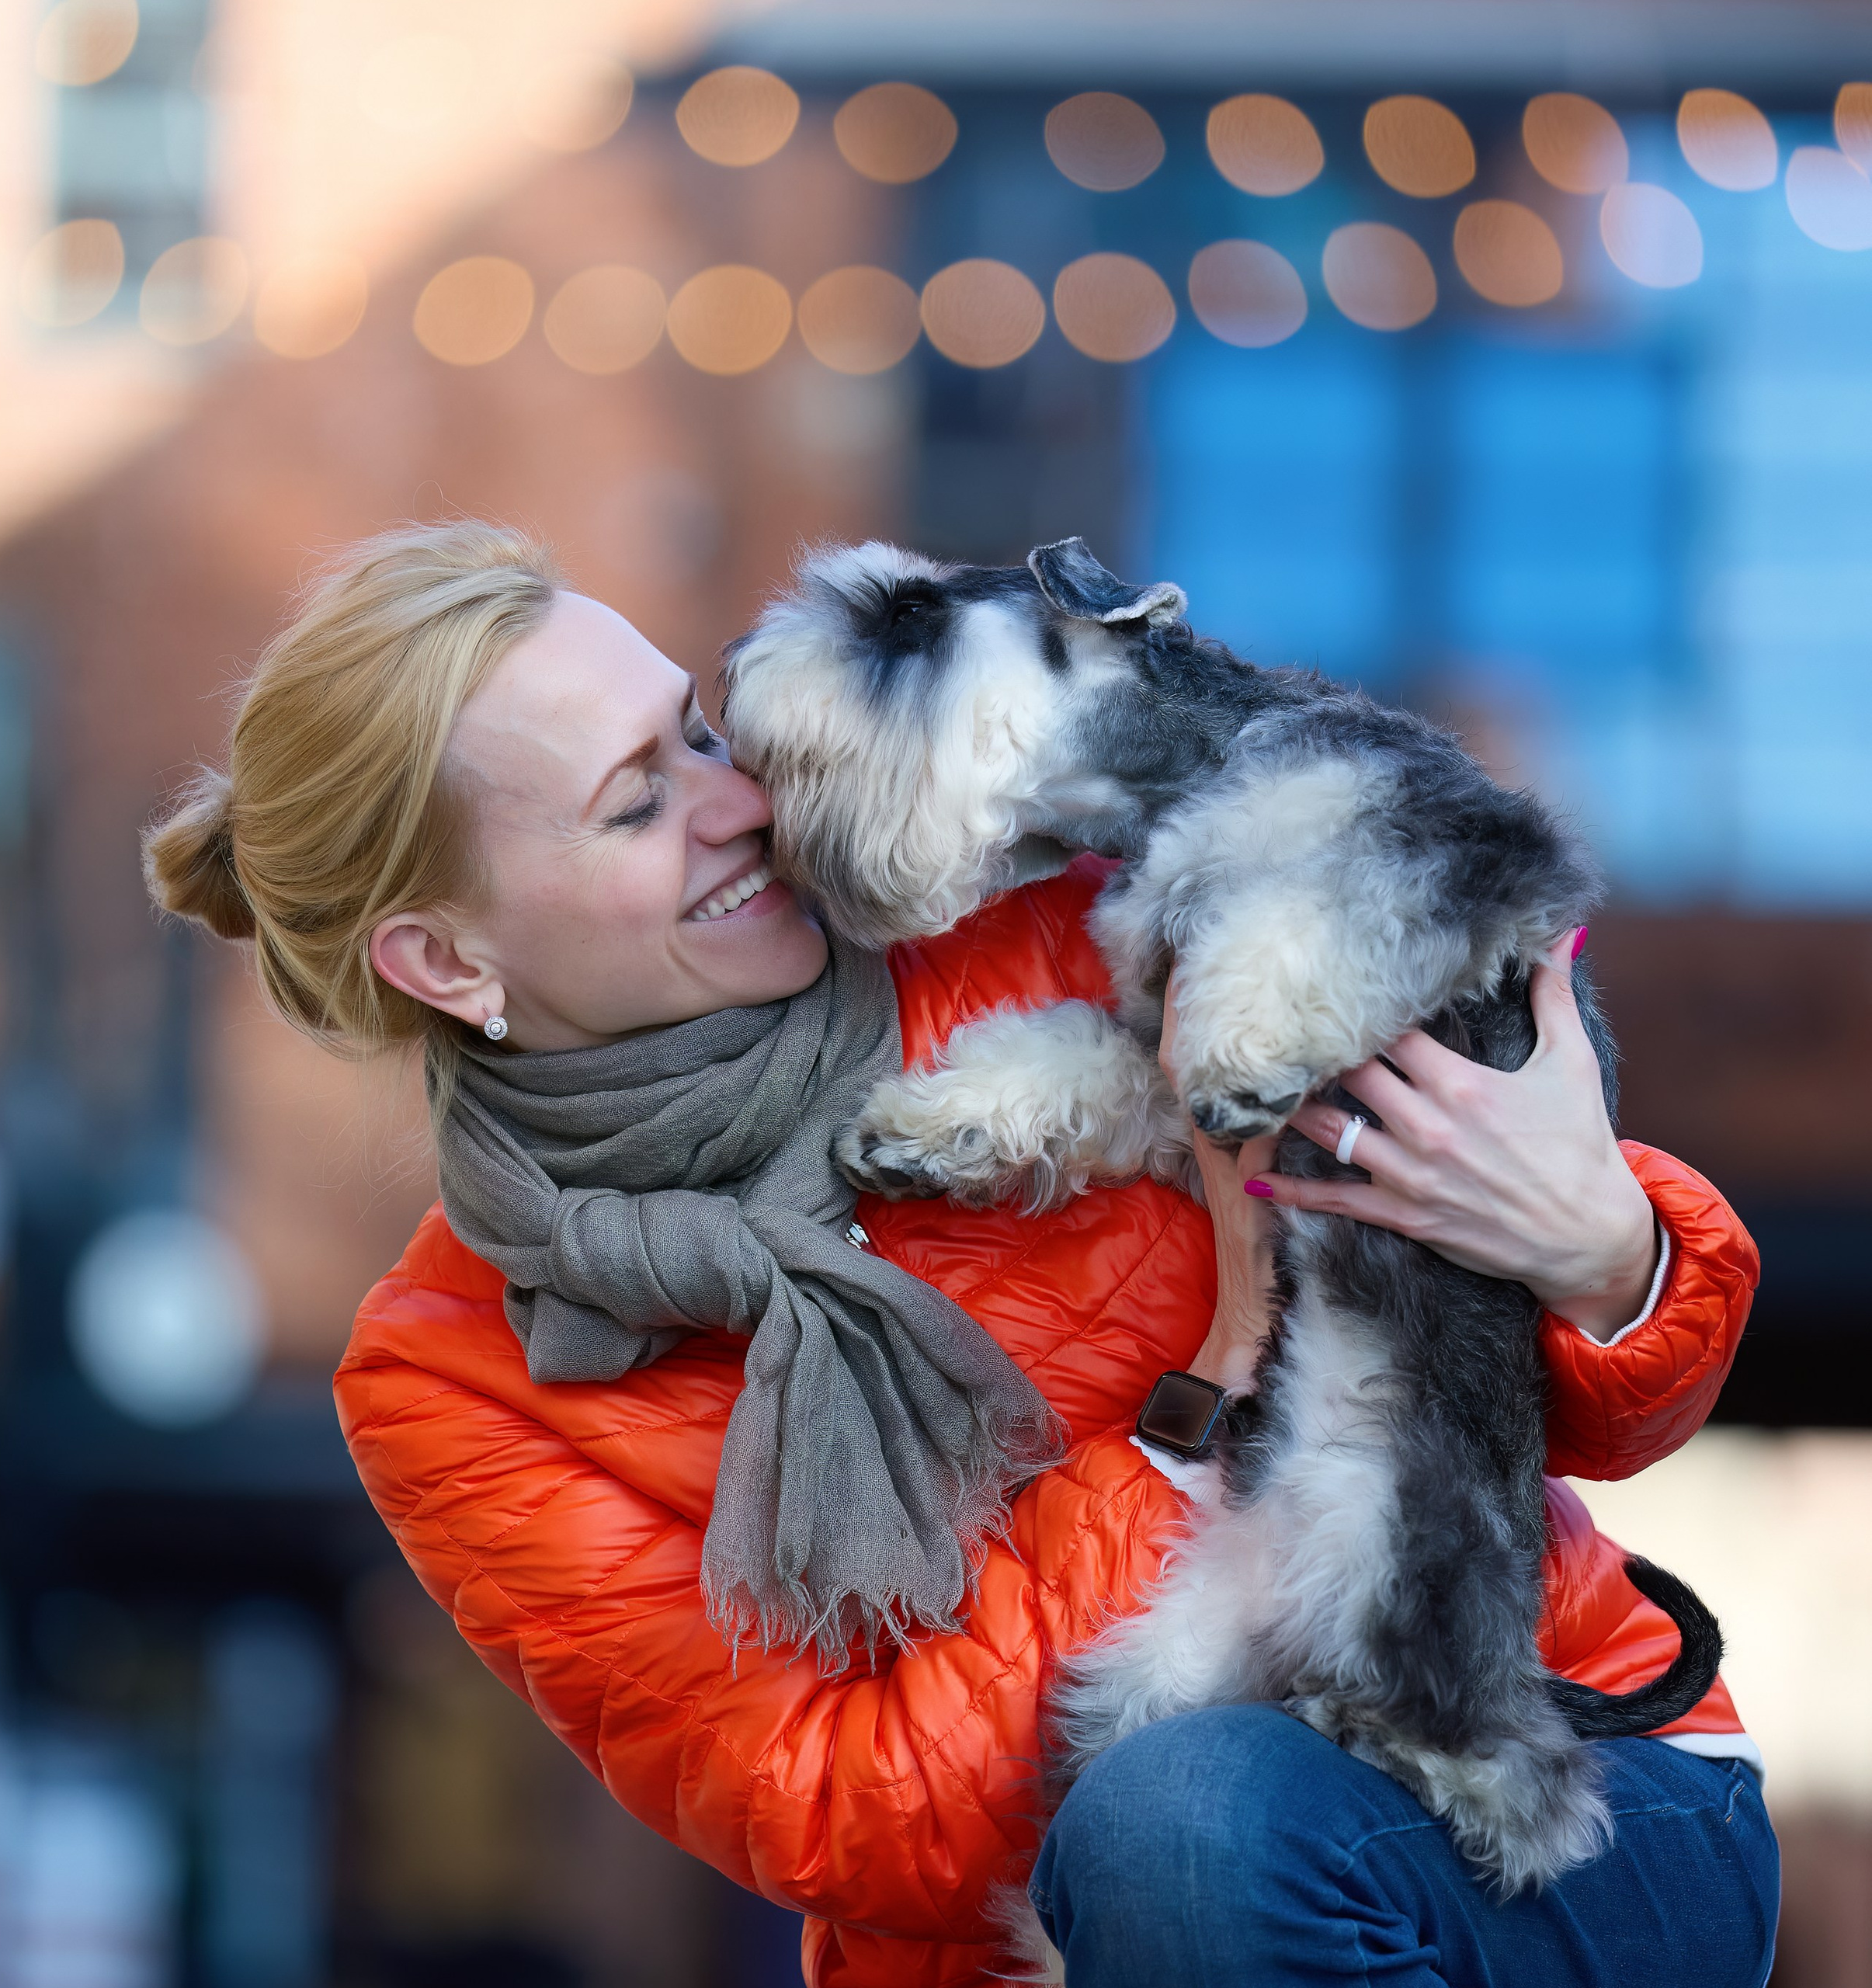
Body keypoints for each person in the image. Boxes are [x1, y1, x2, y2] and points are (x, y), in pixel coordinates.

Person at [145, 521, 1776, 1988]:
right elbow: (858, 1812)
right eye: (637, 801)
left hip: (1550, 1767)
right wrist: (1212, 1384)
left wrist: (1603, 1250)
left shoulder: (1006, 897)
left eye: (697, 730)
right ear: (446, 959)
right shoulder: (454, 1375)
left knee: (1186, 1827)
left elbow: (1605, 1403)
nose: (742, 803)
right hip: (1082, 1914)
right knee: (1180, 1826)